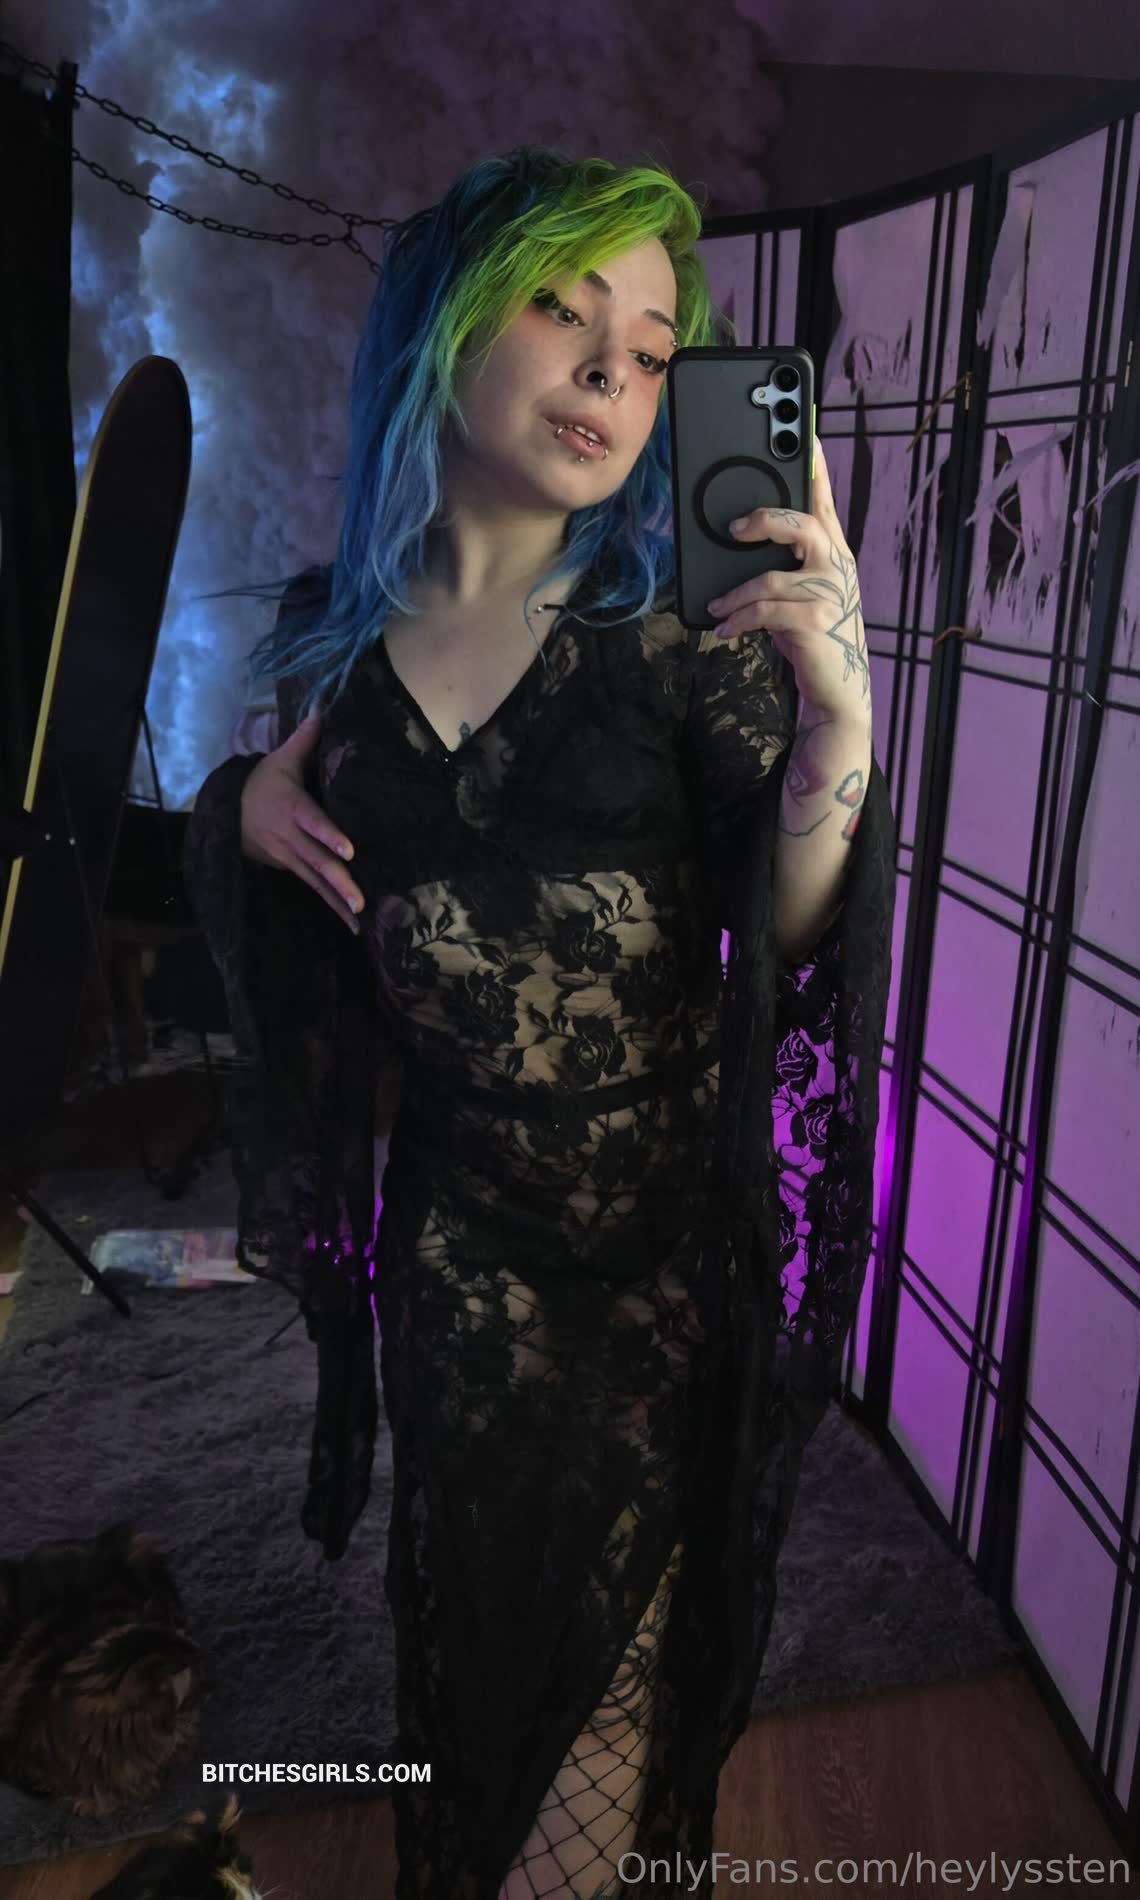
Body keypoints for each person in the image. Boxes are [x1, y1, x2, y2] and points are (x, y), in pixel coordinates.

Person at [182, 146, 896, 1900]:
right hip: (459, 1271)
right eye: (563, 309)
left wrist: (838, 739)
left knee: (611, 1701)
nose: (609, 372)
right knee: (478, 1648)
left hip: (655, 1267)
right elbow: (297, 913)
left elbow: (790, 935)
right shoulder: (327, 653)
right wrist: (239, 816)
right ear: (443, 324)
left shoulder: (684, 642)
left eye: (652, 352)